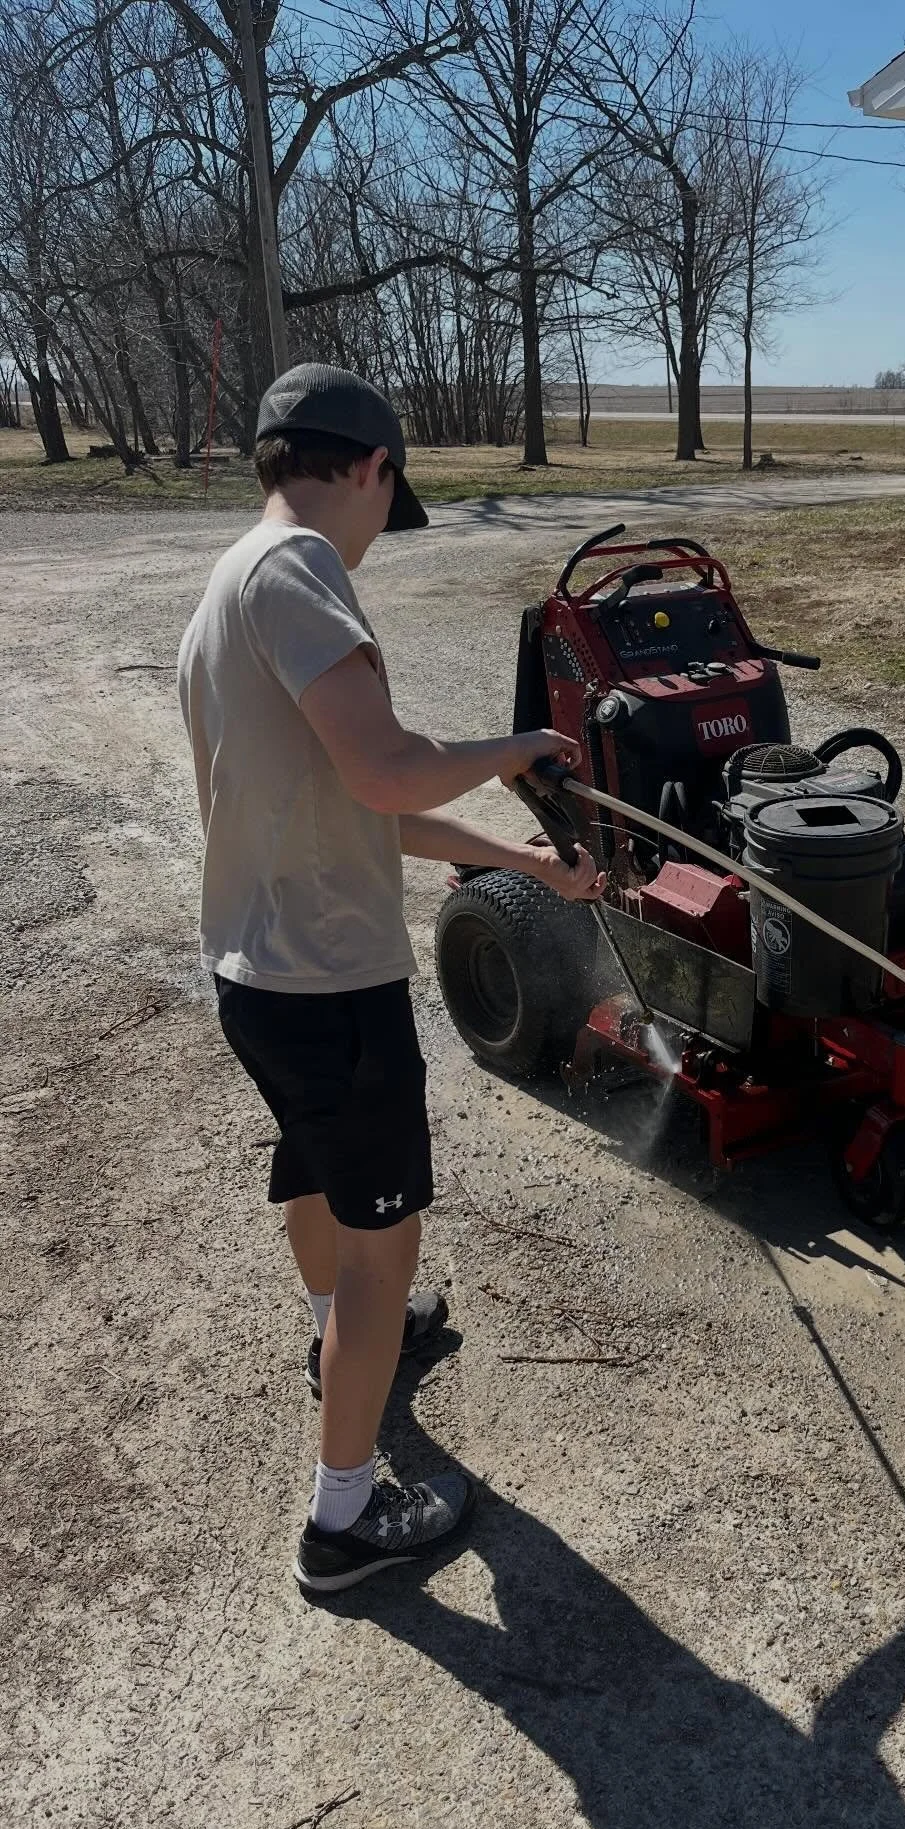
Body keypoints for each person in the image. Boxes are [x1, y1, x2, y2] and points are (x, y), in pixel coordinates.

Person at [176, 363, 604, 1596]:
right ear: (368, 467)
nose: (377, 532)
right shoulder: (298, 571)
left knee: (318, 1172)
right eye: (387, 500)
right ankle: (345, 1521)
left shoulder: (225, 589)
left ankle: (343, 1339)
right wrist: (516, 748)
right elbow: (390, 771)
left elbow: (364, 805)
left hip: (260, 975)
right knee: (384, 1248)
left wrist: (521, 859)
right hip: (330, 988)